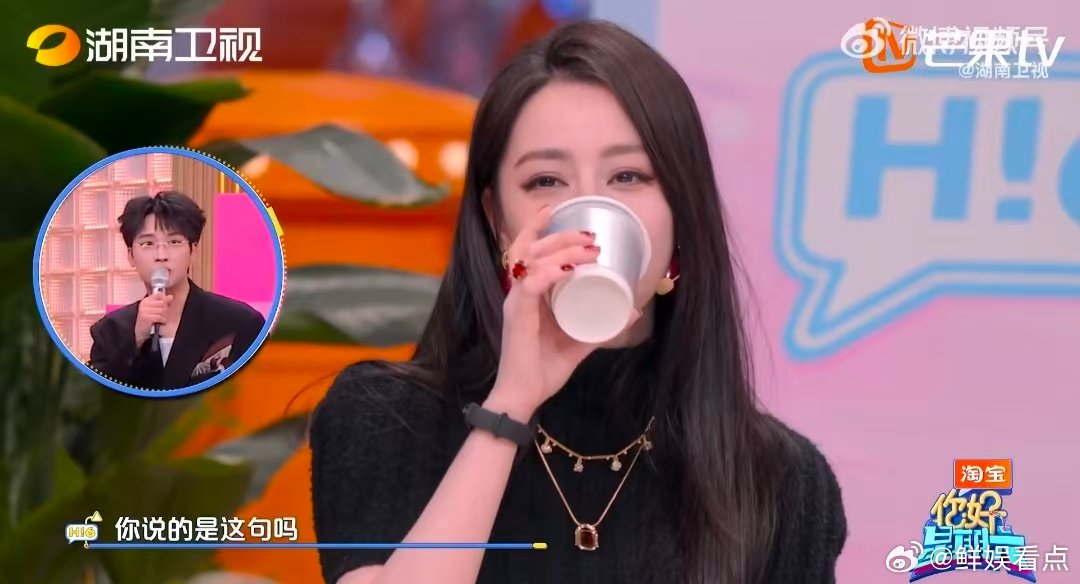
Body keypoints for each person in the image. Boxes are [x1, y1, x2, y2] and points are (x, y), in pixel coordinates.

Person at [310, 20, 847, 584]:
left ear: (682, 214)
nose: (589, 211)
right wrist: (511, 403)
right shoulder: (386, 415)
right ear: (497, 221)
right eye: (546, 181)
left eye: (628, 175)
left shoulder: (782, 481)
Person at [88, 190, 266, 390]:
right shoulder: (109, 331)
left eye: (174, 242)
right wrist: (135, 339)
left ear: (193, 251)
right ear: (131, 256)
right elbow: (93, 399)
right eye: (148, 243)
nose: (161, 255)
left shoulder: (240, 322)